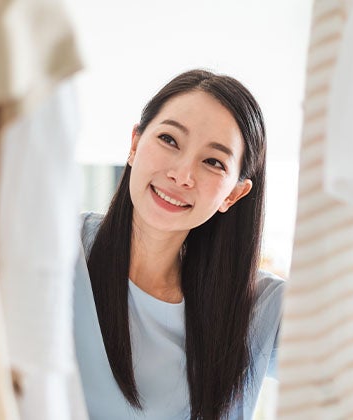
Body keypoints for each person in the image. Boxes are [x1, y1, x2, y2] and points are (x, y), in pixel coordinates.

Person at [72, 69, 284, 420]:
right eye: (169, 140)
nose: (181, 175)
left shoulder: (258, 307)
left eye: (213, 162)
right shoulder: (61, 249)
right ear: (135, 144)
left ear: (233, 194)